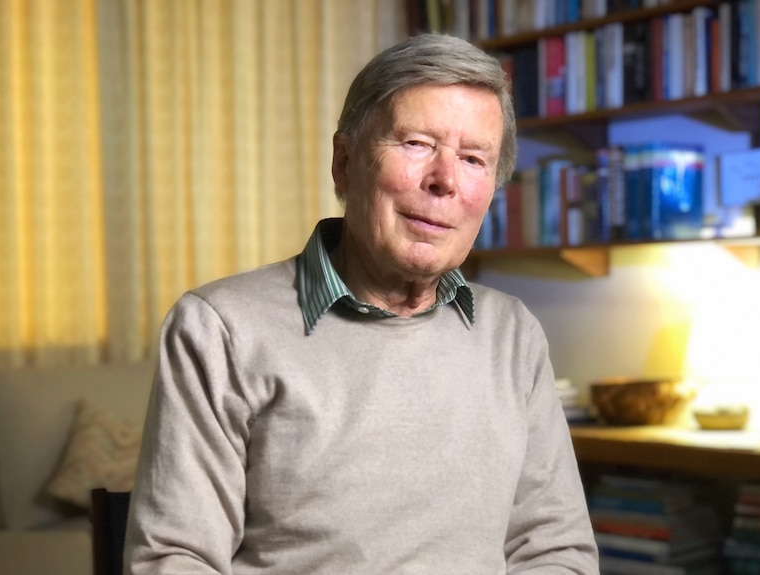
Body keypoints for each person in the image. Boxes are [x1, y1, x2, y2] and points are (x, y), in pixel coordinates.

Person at [124, 33, 598, 574]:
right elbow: (174, 560)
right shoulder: (220, 329)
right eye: (417, 143)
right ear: (344, 163)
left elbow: (555, 551)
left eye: (472, 159)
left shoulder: (512, 334)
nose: (444, 180)